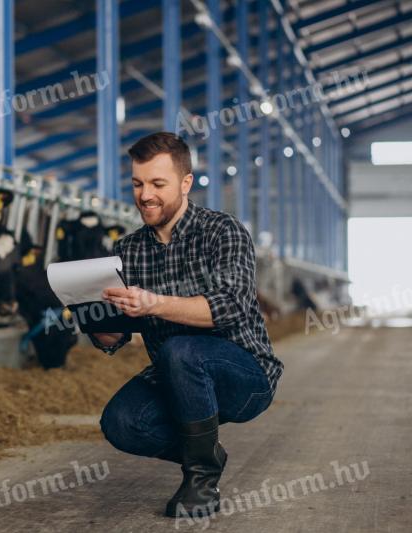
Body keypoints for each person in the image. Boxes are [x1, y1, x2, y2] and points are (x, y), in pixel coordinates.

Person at [89, 132, 283, 519]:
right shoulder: (128, 250)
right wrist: (94, 321)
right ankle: (205, 449)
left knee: (181, 349)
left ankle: (201, 480)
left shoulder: (222, 231)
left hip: (244, 376)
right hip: (176, 375)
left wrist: (153, 304)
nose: (145, 195)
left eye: (158, 184)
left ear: (185, 183)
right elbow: (116, 336)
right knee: (121, 422)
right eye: (138, 184)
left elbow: (229, 306)